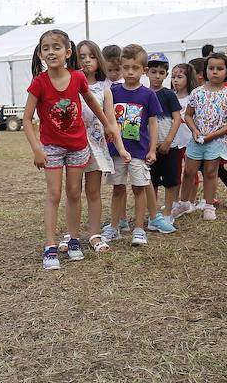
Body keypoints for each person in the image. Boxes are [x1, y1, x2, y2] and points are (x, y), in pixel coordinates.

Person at [23, 29, 123, 271]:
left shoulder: (77, 77)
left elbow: (90, 101)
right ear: (40, 54)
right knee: (54, 194)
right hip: (52, 148)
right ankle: (50, 247)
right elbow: (27, 119)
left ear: (68, 52)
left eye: (56, 47)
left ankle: (75, 239)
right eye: (46, 48)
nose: (51, 52)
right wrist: (37, 149)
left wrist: (108, 124)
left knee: (74, 192)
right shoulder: (39, 83)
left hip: (78, 145)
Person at [101, 45, 162, 246]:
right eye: (125, 67)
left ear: (143, 70)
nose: (129, 72)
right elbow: (107, 119)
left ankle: (139, 229)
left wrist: (152, 149)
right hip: (116, 152)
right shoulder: (113, 91)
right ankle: (114, 226)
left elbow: (153, 124)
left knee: (139, 189)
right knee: (117, 189)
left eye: (135, 68)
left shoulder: (148, 95)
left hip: (139, 152)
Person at [75, 39, 122, 254]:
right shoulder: (70, 84)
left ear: (99, 60)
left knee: (93, 192)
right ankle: (73, 234)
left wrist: (120, 148)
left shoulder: (105, 88)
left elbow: (111, 121)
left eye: (91, 56)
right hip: (72, 146)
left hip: (96, 146)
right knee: (73, 192)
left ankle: (94, 233)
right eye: (82, 56)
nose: (86, 60)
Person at [179, 52, 227, 221]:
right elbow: (188, 115)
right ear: (205, 71)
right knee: (189, 171)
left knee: (211, 172)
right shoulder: (197, 93)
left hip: (216, 141)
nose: (215, 72)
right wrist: (194, 130)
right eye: (211, 68)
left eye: (220, 68)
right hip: (197, 140)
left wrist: (214, 135)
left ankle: (208, 205)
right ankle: (184, 203)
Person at [144, 52, 180, 232]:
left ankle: (168, 213)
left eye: (161, 72)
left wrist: (168, 141)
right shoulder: (143, 94)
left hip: (169, 146)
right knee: (151, 181)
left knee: (170, 181)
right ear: (147, 72)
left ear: (166, 75)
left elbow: (177, 119)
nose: (157, 76)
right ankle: (154, 213)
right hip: (149, 147)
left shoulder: (169, 95)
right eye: (153, 71)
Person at [169, 63, 198, 219]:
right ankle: (175, 201)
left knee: (190, 172)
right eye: (173, 77)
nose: (175, 80)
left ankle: (190, 201)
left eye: (180, 77)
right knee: (175, 172)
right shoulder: (170, 96)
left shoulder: (192, 97)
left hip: (189, 141)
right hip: (174, 141)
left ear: (189, 78)